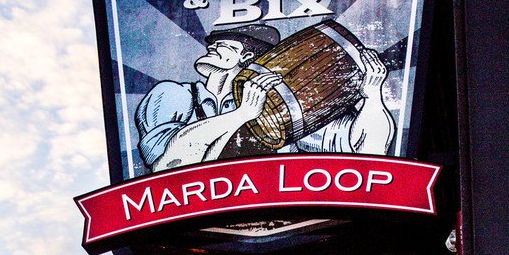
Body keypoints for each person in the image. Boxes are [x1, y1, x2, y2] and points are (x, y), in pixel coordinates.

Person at [135, 21, 395, 174]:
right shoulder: (173, 95)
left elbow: (369, 153)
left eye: (224, 45)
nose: (211, 47)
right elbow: (167, 168)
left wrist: (373, 99)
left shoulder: (283, 113)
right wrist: (241, 115)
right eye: (212, 44)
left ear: (247, 58)